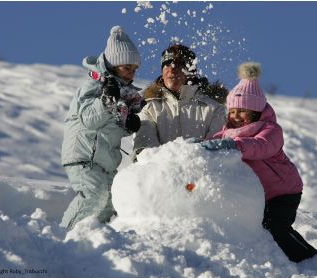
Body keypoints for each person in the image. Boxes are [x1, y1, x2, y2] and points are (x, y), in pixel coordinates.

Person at [201, 62, 317, 262]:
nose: (236, 116)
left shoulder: (270, 130)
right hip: (261, 195)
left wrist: (234, 146)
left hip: (284, 192)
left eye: (242, 111)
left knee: (275, 227)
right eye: (233, 111)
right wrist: (198, 147)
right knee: (259, 227)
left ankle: (310, 259)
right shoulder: (225, 134)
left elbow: (261, 146)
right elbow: (213, 145)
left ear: (255, 112)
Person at [60, 26, 143, 230]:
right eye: (126, 68)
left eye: (134, 69)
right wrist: (107, 100)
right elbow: (89, 119)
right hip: (85, 156)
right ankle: (63, 237)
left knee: (111, 203)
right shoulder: (94, 85)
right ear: (113, 65)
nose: (131, 73)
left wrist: (129, 124)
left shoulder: (124, 93)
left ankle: (92, 240)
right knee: (93, 195)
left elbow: (112, 125)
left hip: (105, 160)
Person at [133, 44, 228, 156]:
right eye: (167, 64)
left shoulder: (214, 109)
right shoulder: (149, 107)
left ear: (191, 72)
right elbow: (146, 154)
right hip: (162, 171)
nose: (172, 69)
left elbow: (218, 154)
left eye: (178, 64)